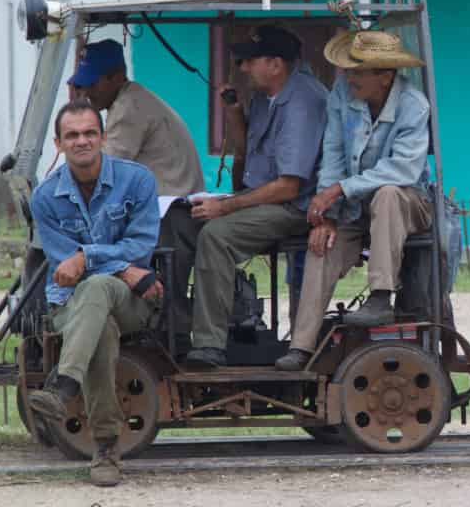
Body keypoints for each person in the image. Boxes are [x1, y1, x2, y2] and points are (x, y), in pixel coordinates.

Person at [159, 24, 328, 369]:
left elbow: (289, 186)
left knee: (217, 235)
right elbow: (248, 157)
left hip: (294, 207)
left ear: (275, 64)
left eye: (250, 61)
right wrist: (235, 113)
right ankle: (173, 333)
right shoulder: (268, 96)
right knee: (177, 220)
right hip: (262, 197)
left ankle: (209, 346)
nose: (244, 67)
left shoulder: (303, 101)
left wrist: (224, 207)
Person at [276, 29, 433, 366]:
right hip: (355, 207)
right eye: (348, 69)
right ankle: (301, 346)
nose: (349, 77)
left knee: (388, 194)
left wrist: (340, 189)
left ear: (385, 76)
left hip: (408, 205)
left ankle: (380, 297)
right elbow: (332, 153)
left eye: (358, 70)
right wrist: (328, 212)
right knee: (321, 243)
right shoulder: (341, 97)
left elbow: (403, 170)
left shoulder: (414, 106)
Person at [28, 99, 162, 487]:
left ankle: (62, 386)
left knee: (99, 283)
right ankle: (106, 449)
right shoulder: (45, 197)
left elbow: (141, 244)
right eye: (72, 135)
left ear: (103, 137)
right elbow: (62, 268)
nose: (82, 141)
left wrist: (87, 257)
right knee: (97, 320)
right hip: (70, 305)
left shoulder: (137, 181)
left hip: (131, 302)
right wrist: (118, 265)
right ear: (58, 144)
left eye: (90, 133)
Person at [67, 38, 204, 199]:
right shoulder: (131, 97)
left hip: (171, 209)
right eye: (83, 85)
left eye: (92, 84)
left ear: (117, 77)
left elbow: (99, 172)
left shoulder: (128, 108)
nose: (87, 92)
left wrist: (77, 117)